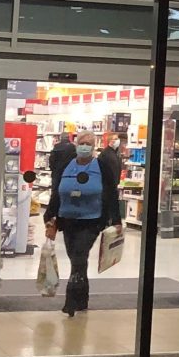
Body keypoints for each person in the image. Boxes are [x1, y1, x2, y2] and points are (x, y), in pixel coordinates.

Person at [42, 131, 121, 316]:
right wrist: (50, 216)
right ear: (77, 144)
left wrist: (116, 220)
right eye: (82, 143)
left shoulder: (101, 166)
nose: (84, 146)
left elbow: (111, 194)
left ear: (94, 147)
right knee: (76, 259)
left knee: (79, 255)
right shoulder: (66, 165)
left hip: (91, 221)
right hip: (68, 220)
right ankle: (82, 298)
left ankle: (70, 300)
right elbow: (56, 191)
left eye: (88, 143)